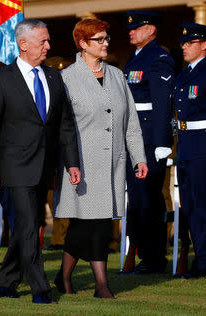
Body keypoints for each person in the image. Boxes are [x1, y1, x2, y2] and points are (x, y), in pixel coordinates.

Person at [0, 19, 81, 304]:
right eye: (43, 41)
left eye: (48, 40)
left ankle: (7, 281)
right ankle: (40, 288)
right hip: (13, 168)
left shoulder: (53, 77)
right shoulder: (1, 80)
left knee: (28, 224)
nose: (48, 46)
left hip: (44, 166)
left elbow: (64, 124)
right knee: (28, 226)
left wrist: (72, 163)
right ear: (23, 45)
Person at [54, 19, 147, 299]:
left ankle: (64, 277)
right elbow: (62, 125)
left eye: (107, 38)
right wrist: (68, 162)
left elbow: (130, 121)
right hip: (81, 163)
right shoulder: (67, 78)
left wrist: (138, 157)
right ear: (83, 44)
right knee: (92, 224)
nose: (106, 43)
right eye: (99, 39)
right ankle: (101, 284)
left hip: (113, 163)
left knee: (94, 223)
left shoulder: (118, 76)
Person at [172, 22, 206, 278]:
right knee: (190, 206)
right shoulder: (183, 75)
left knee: (203, 206)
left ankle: (204, 263)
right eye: (183, 42)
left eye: (189, 42)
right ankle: (198, 258)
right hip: (185, 146)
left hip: (204, 148)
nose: (184, 46)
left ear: (203, 45)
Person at [123, 10, 175, 274]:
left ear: (151, 29)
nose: (131, 31)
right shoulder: (135, 58)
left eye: (138, 27)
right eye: (130, 28)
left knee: (148, 200)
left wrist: (161, 141)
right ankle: (144, 254)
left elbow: (162, 102)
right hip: (133, 138)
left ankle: (154, 258)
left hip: (148, 141)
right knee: (137, 200)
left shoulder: (159, 57)